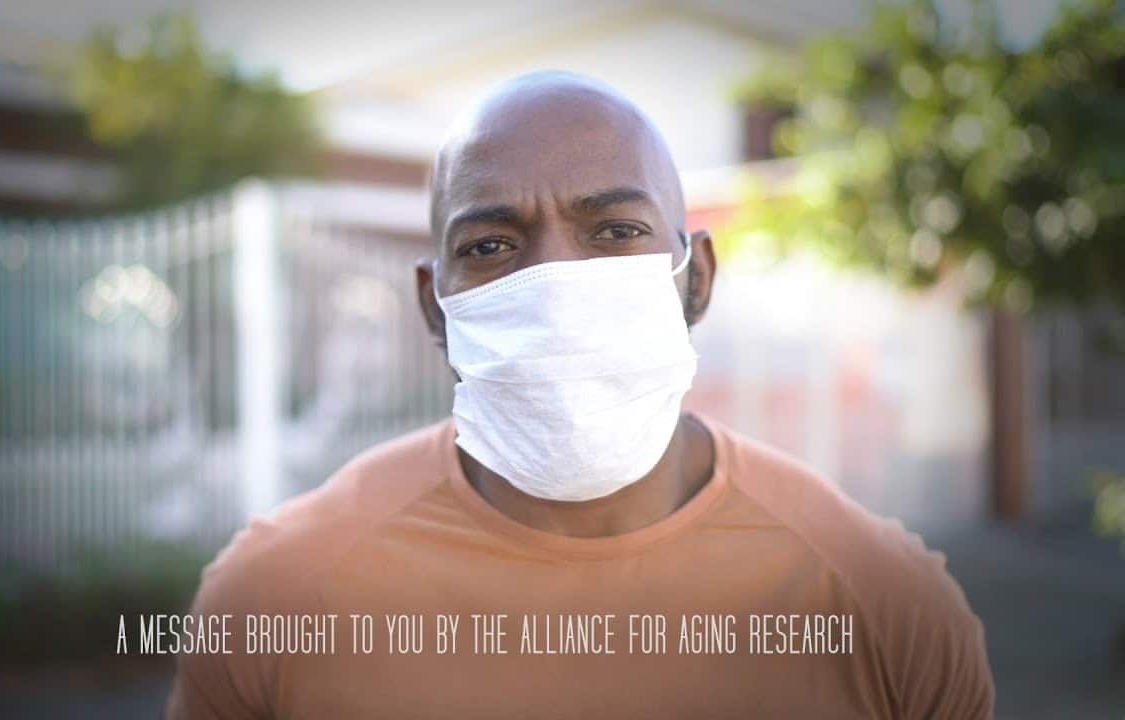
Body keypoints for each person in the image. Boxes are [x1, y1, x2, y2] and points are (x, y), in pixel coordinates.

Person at [165, 70, 994, 719]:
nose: (557, 284)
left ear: (695, 279)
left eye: (616, 231)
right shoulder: (273, 599)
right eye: (490, 245)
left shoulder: (885, 606)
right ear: (435, 307)